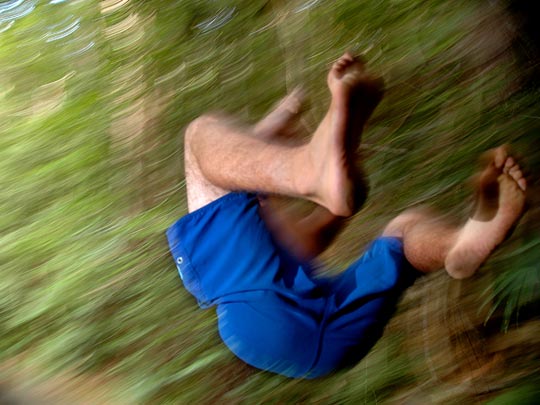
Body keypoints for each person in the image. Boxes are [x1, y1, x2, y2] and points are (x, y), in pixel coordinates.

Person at [166, 53, 527, 378]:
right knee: (203, 134)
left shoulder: (261, 235)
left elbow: (310, 236)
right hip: (279, 316)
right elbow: (240, 160)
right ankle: (312, 165)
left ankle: (460, 244)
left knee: (403, 234)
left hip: (314, 347)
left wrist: (323, 134)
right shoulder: (256, 212)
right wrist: (289, 113)